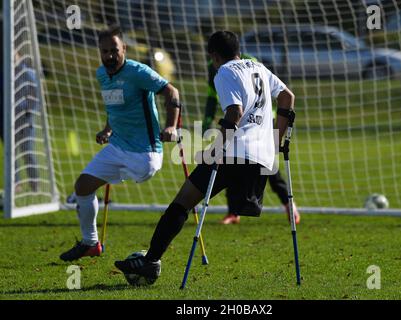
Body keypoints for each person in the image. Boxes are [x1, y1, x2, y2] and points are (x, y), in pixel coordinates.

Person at [114, 30, 296, 285]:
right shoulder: (259, 67)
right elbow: (288, 97)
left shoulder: (224, 72)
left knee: (183, 201)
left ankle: (150, 261)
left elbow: (234, 112)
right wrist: (276, 139)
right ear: (238, 49)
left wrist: (216, 149)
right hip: (262, 158)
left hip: (234, 152)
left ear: (213, 55)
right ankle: (150, 260)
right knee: (190, 200)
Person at [59, 26, 180, 262]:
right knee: (82, 186)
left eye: (114, 50)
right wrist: (107, 129)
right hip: (117, 146)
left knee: (92, 186)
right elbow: (113, 105)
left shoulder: (138, 72)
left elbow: (172, 92)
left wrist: (171, 126)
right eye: (105, 51)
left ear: (124, 49)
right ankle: (90, 243)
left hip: (145, 154)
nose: (109, 56)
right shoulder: (101, 74)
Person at [203, 54, 300, 225]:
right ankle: (233, 212)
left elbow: (279, 95)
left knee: (269, 168)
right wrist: (207, 120)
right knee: (232, 164)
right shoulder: (214, 69)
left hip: (262, 123)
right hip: (240, 124)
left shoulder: (250, 63)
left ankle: (289, 204)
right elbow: (212, 97)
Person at [14, 52, 40, 193]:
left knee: (27, 152)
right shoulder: (7, 74)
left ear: (18, 56)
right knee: (11, 154)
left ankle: (35, 184)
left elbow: (35, 93)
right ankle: (16, 185)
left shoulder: (28, 73)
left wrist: (29, 111)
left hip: (25, 119)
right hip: (10, 120)